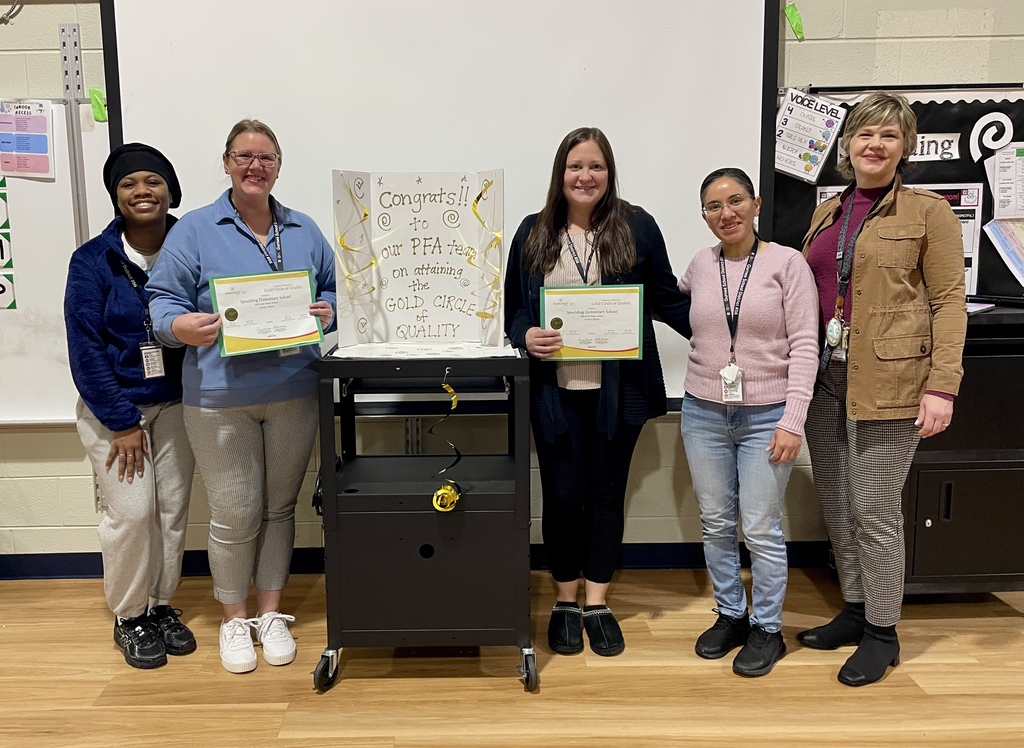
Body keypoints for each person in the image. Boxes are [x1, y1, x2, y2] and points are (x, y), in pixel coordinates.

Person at [147, 119, 337, 674]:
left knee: (279, 509)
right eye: (244, 156)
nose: (255, 166)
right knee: (235, 514)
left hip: (294, 391)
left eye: (266, 158)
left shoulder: (302, 228)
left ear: (278, 166)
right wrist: (179, 328)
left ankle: (271, 613)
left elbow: (331, 287)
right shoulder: (196, 230)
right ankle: (234, 620)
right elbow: (161, 302)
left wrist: (329, 310)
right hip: (218, 397)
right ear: (226, 162)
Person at [798, 91, 967, 686]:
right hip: (824, 379)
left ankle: (883, 632)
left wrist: (942, 387)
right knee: (839, 505)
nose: (875, 144)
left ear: (906, 147)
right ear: (846, 145)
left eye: (889, 136)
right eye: (865, 134)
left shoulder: (928, 212)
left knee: (874, 505)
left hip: (892, 380)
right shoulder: (828, 211)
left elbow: (950, 303)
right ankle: (855, 608)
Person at [504, 127, 691, 657]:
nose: (585, 177)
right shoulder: (533, 230)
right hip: (554, 392)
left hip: (619, 393)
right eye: (575, 167)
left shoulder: (636, 226)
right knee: (564, 497)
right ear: (560, 174)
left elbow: (666, 299)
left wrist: (728, 332)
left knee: (608, 496)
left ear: (609, 174)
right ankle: (565, 601)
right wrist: (525, 334)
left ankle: (598, 603)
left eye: (596, 167)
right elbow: (513, 308)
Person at [678, 168, 819, 677]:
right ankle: (731, 614)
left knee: (761, 528)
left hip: (768, 416)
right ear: (704, 216)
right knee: (716, 523)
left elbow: (806, 344)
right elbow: (685, 311)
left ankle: (766, 628)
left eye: (735, 201)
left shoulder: (788, 264)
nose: (726, 213)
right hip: (703, 412)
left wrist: (792, 420)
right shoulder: (699, 264)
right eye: (714, 206)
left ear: (756, 204)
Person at [64, 143, 196, 670]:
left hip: (179, 406)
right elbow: (85, 346)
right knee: (133, 513)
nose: (142, 191)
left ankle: (161, 606)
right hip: (116, 411)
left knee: (170, 511)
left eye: (153, 181)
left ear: (171, 190)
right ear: (116, 197)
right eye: (128, 184)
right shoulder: (92, 261)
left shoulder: (192, 244)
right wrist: (120, 422)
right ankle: (129, 615)